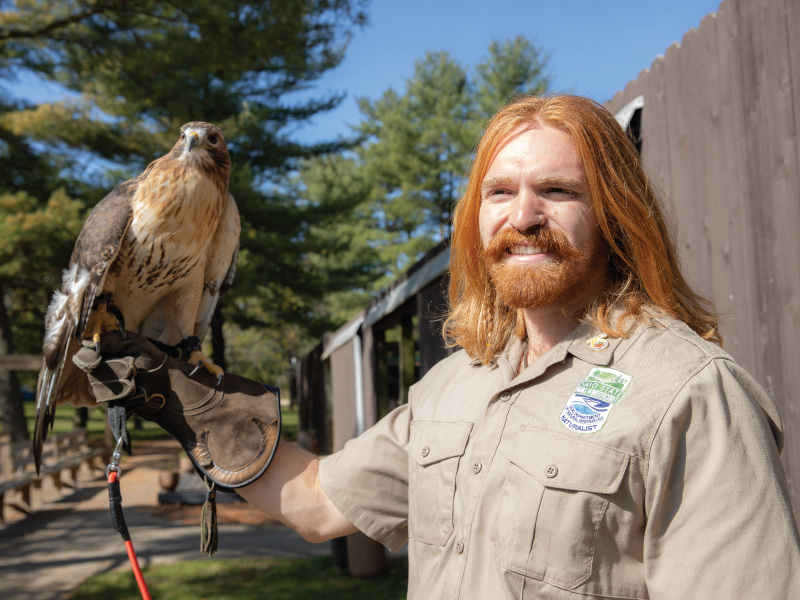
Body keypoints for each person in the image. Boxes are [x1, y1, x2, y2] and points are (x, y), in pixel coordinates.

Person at [79, 94, 800, 598]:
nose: (523, 216)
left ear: (615, 216)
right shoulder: (458, 387)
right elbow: (313, 501)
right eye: (499, 193)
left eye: (557, 191)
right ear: (474, 220)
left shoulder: (690, 393)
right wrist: (175, 397)